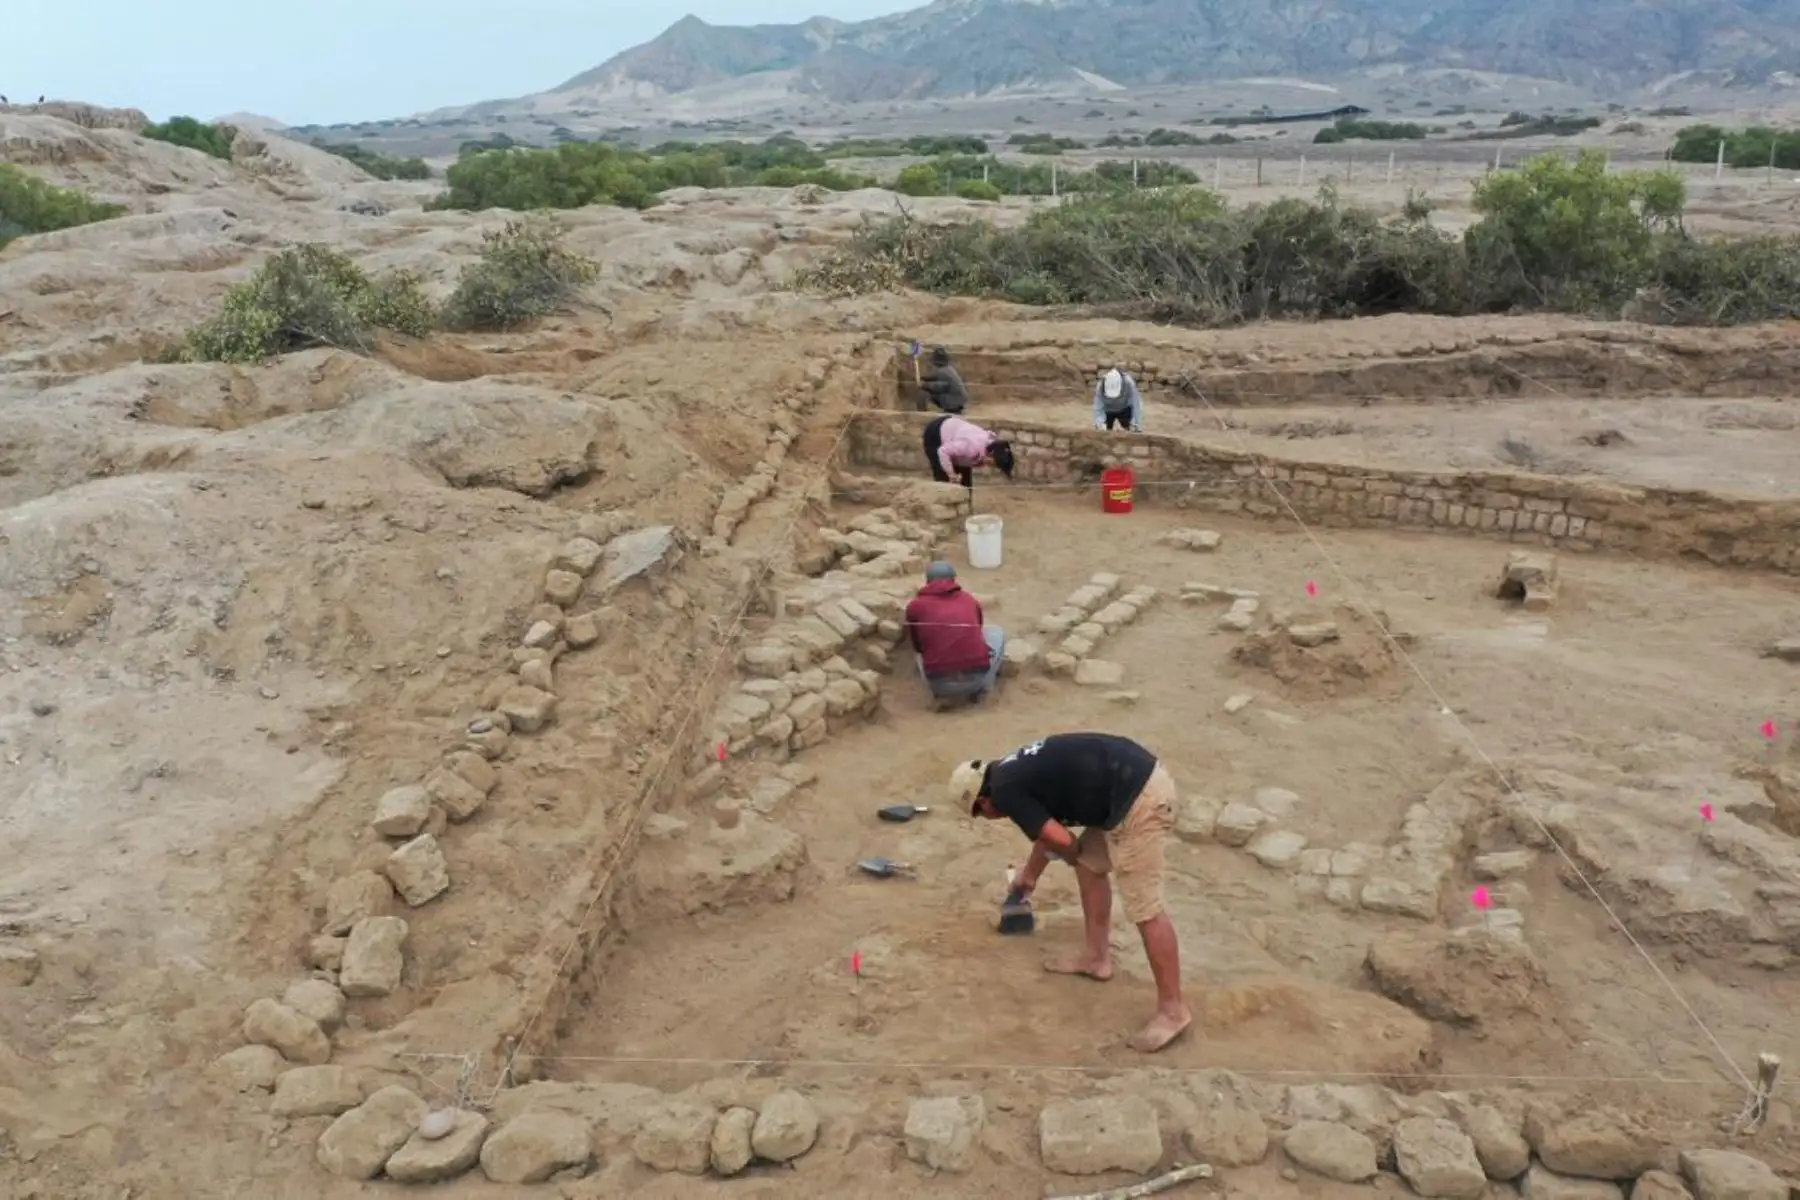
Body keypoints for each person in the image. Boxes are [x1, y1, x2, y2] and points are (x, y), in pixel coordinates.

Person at [950, 733, 1190, 1052]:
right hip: (1125, 784)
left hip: (1139, 801)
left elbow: (1062, 841)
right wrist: (1029, 877)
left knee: (1145, 908)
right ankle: (1096, 958)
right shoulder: (1011, 773)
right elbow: (1048, 832)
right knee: (1090, 867)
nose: (989, 819)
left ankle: (1173, 1011)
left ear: (982, 801)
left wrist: (1071, 853)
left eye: (980, 814)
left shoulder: (1006, 792)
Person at [904, 561, 1005, 706]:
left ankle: (942, 696)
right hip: (977, 679)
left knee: (920, 652)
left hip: (939, 684)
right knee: (997, 633)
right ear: (953, 580)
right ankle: (985, 688)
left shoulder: (915, 606)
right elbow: (979, 628)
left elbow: (917, 645)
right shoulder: (968, 600)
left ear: (927, 581)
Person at [922, 413, 1014, 490]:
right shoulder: (970, 448)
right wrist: (951, 474)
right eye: (992, 463)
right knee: (943, 478)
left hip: (956, 436)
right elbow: (943, 451)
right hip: (936, 433)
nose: (990, 466)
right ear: (990, 453)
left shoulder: (986, 447)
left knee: (965, 484)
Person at [917, 346, 971, 414]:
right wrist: (925, 378)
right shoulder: (948, 369)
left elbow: (941, 386)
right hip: (960, 399)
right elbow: (936, 378)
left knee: (924, 393)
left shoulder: (942, 371)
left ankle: (922, 412)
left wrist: (924, 385)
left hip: (954, 401)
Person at [1093, 368, 1143, 432]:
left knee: (1131, 432)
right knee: (1103, 433)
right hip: (1107, 410)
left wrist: (1135, 424)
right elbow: (1098, 407)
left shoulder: (1128, 383)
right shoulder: (1100, 386)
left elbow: (1136, 404)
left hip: (1124, 409)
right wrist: (1100, 423)